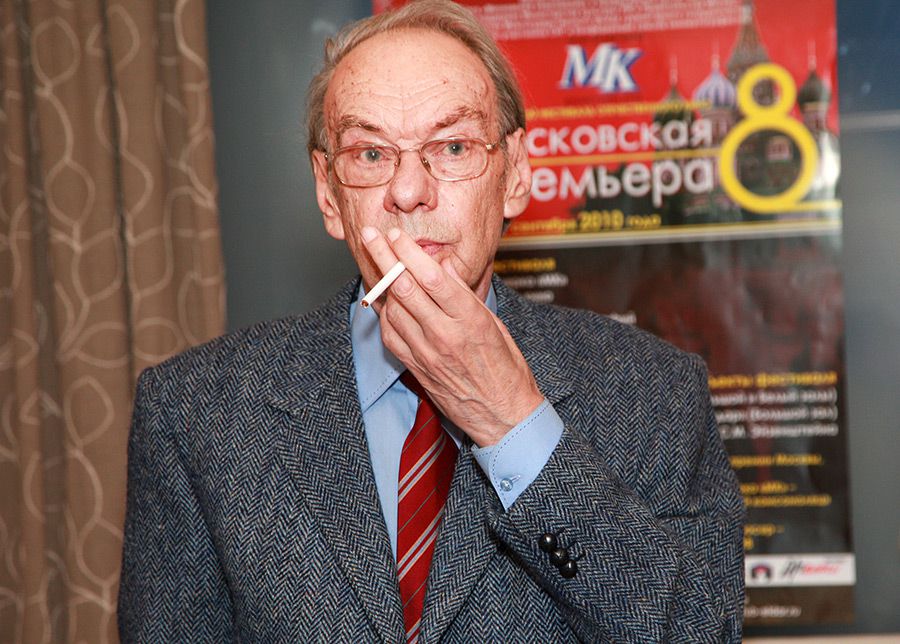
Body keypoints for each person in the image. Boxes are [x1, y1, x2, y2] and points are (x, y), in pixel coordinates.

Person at [117, 1, 745, 641]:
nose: (409, 191)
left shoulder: (655, 394)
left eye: (453, 146)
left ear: (515, 174)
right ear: (329, 193)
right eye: (370, 154)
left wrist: (513, 424)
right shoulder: (196, 411)